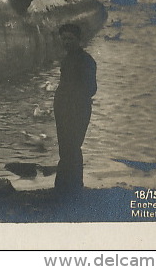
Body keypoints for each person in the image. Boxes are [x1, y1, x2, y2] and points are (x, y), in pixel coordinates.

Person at [54, 23, 97, 192]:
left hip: (77, 108)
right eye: (64, 39)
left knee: (72, 147)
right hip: (63, 109)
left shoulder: (87, 61)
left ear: (79, 40)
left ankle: (70, 186)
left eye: (70, 39)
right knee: (65, 148)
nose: (66, 42)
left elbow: (92, 88)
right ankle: (67, 186)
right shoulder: (66, 59)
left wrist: (74, 98)